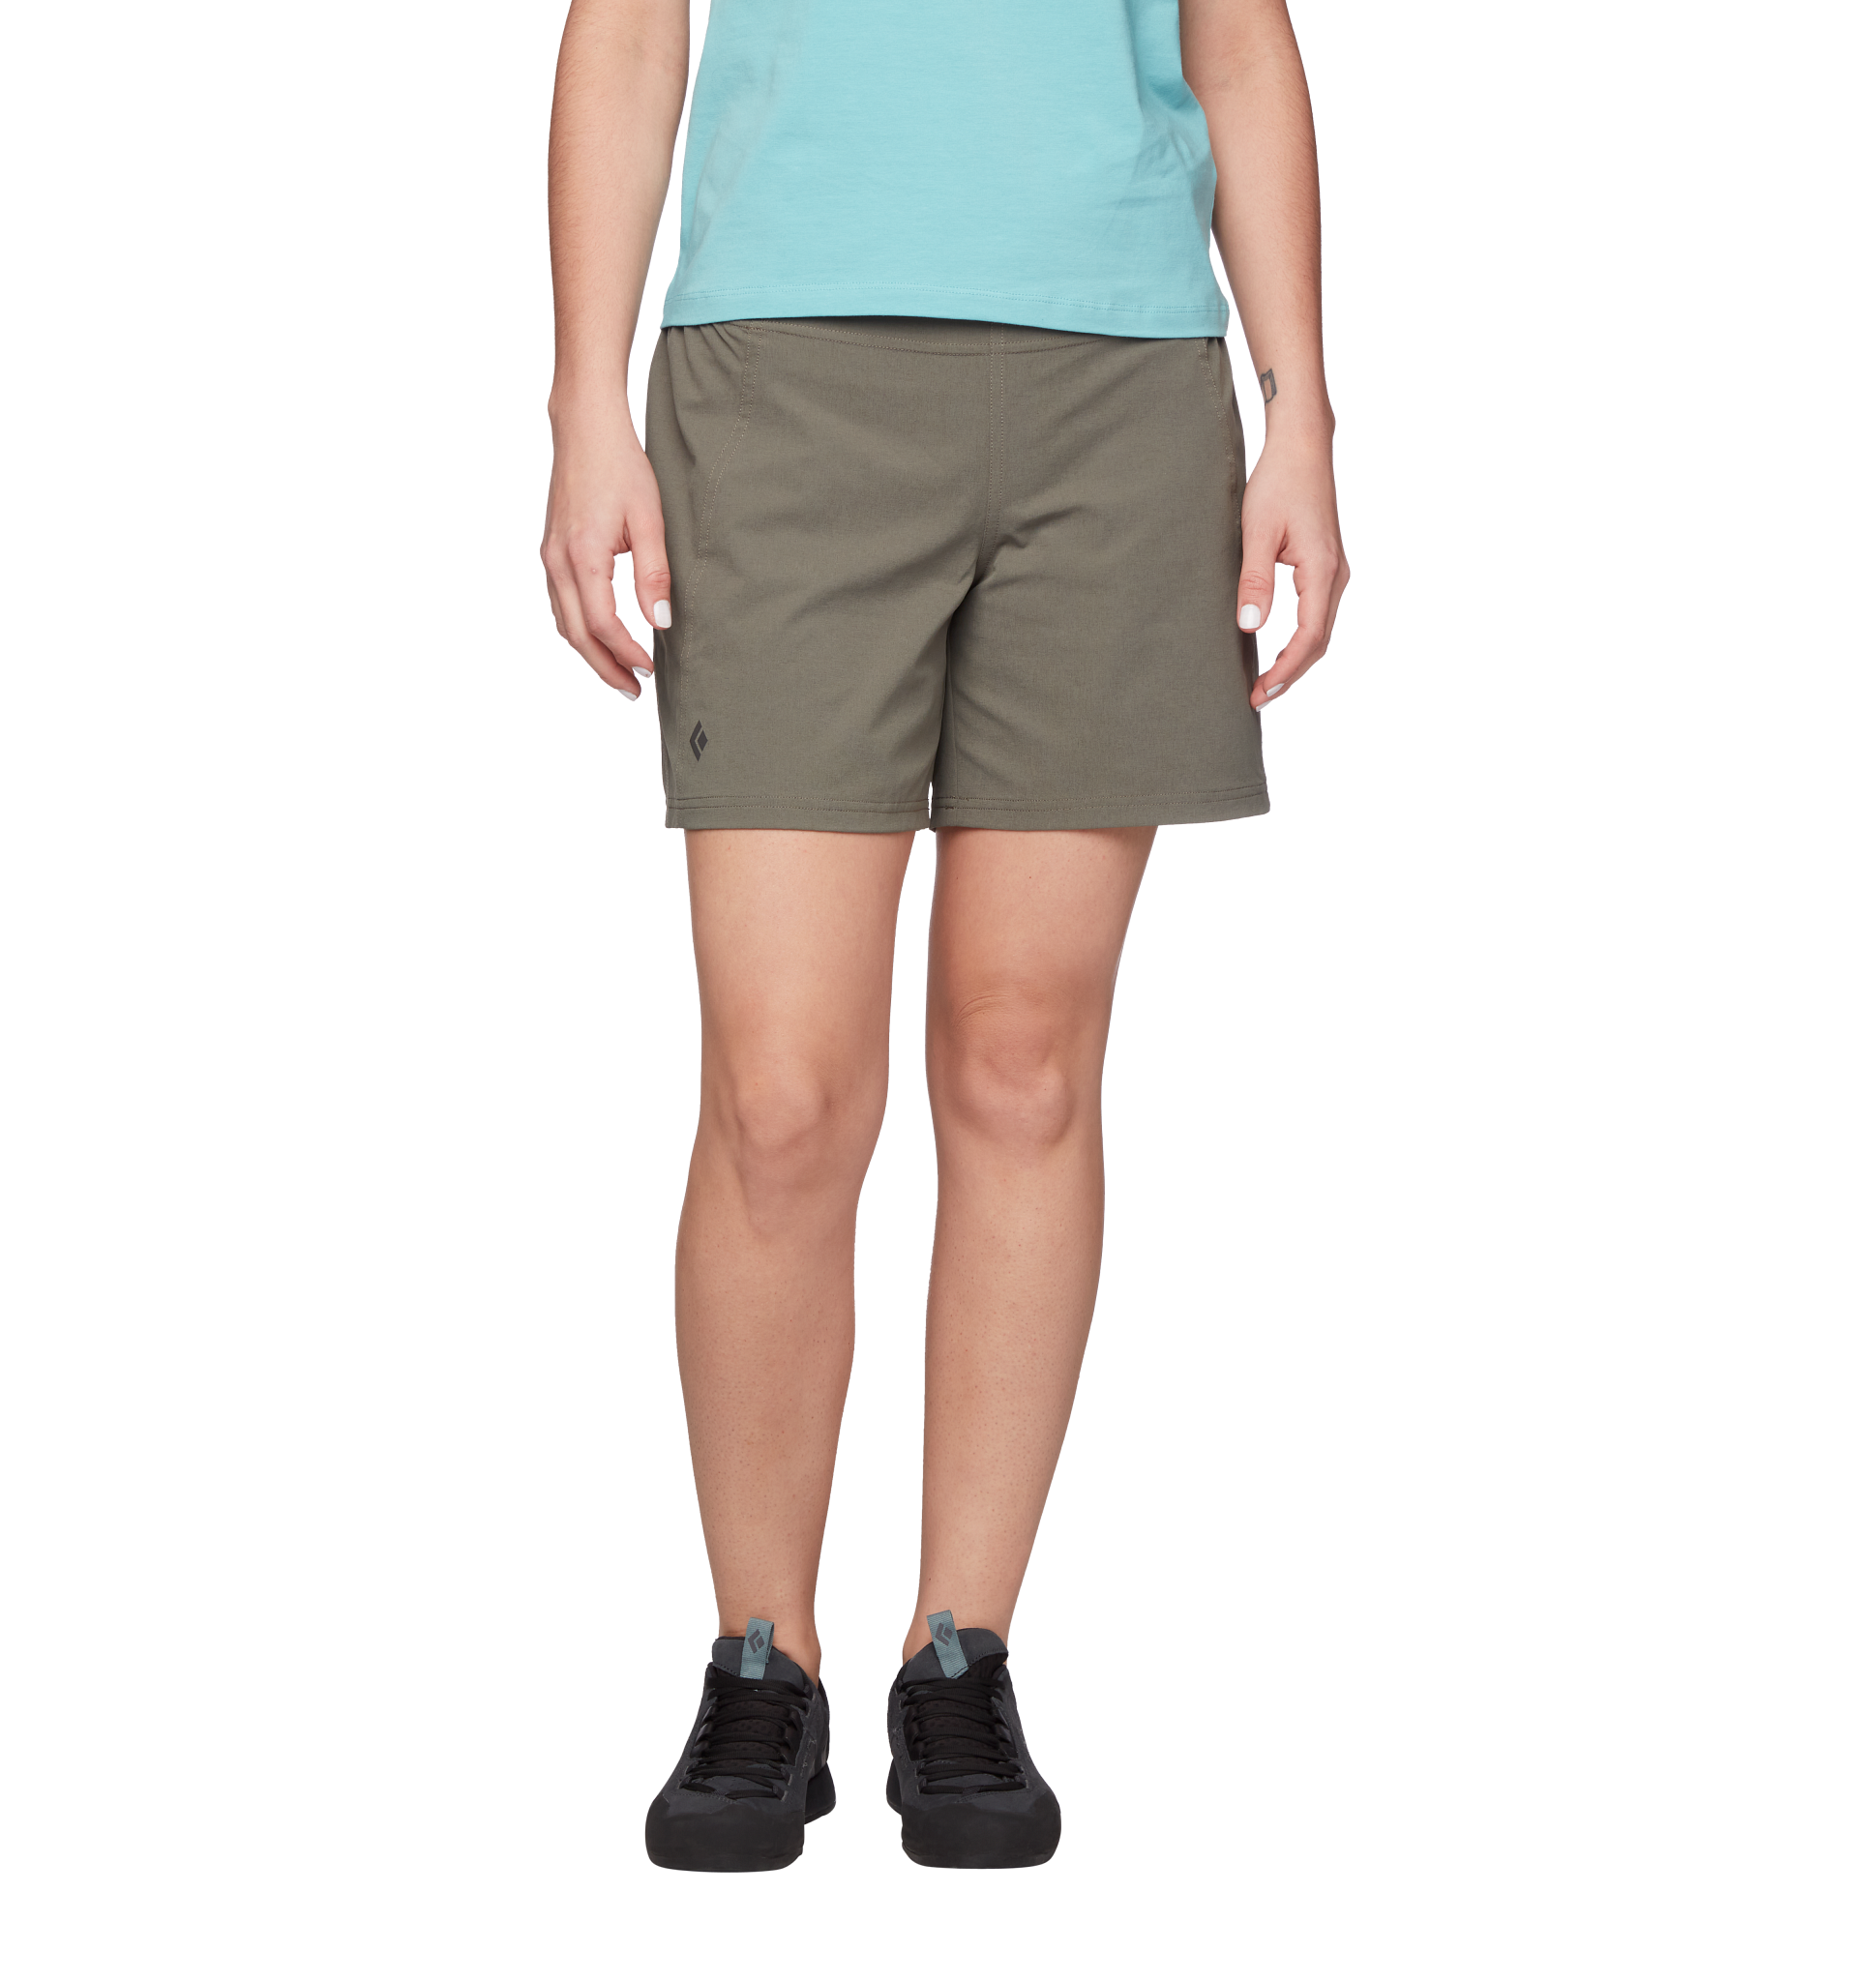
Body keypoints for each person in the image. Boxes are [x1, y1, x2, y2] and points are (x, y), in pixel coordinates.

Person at [543, 0, 1349, 1873]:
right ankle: (760, 1658)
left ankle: (959, 1652)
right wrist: (584, 394)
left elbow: (1238, 43)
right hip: (778, 375)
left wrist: (1302, 402)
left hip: (1122, 386)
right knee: (780, 1095)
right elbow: (628, 27)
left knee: (1023, 1059)